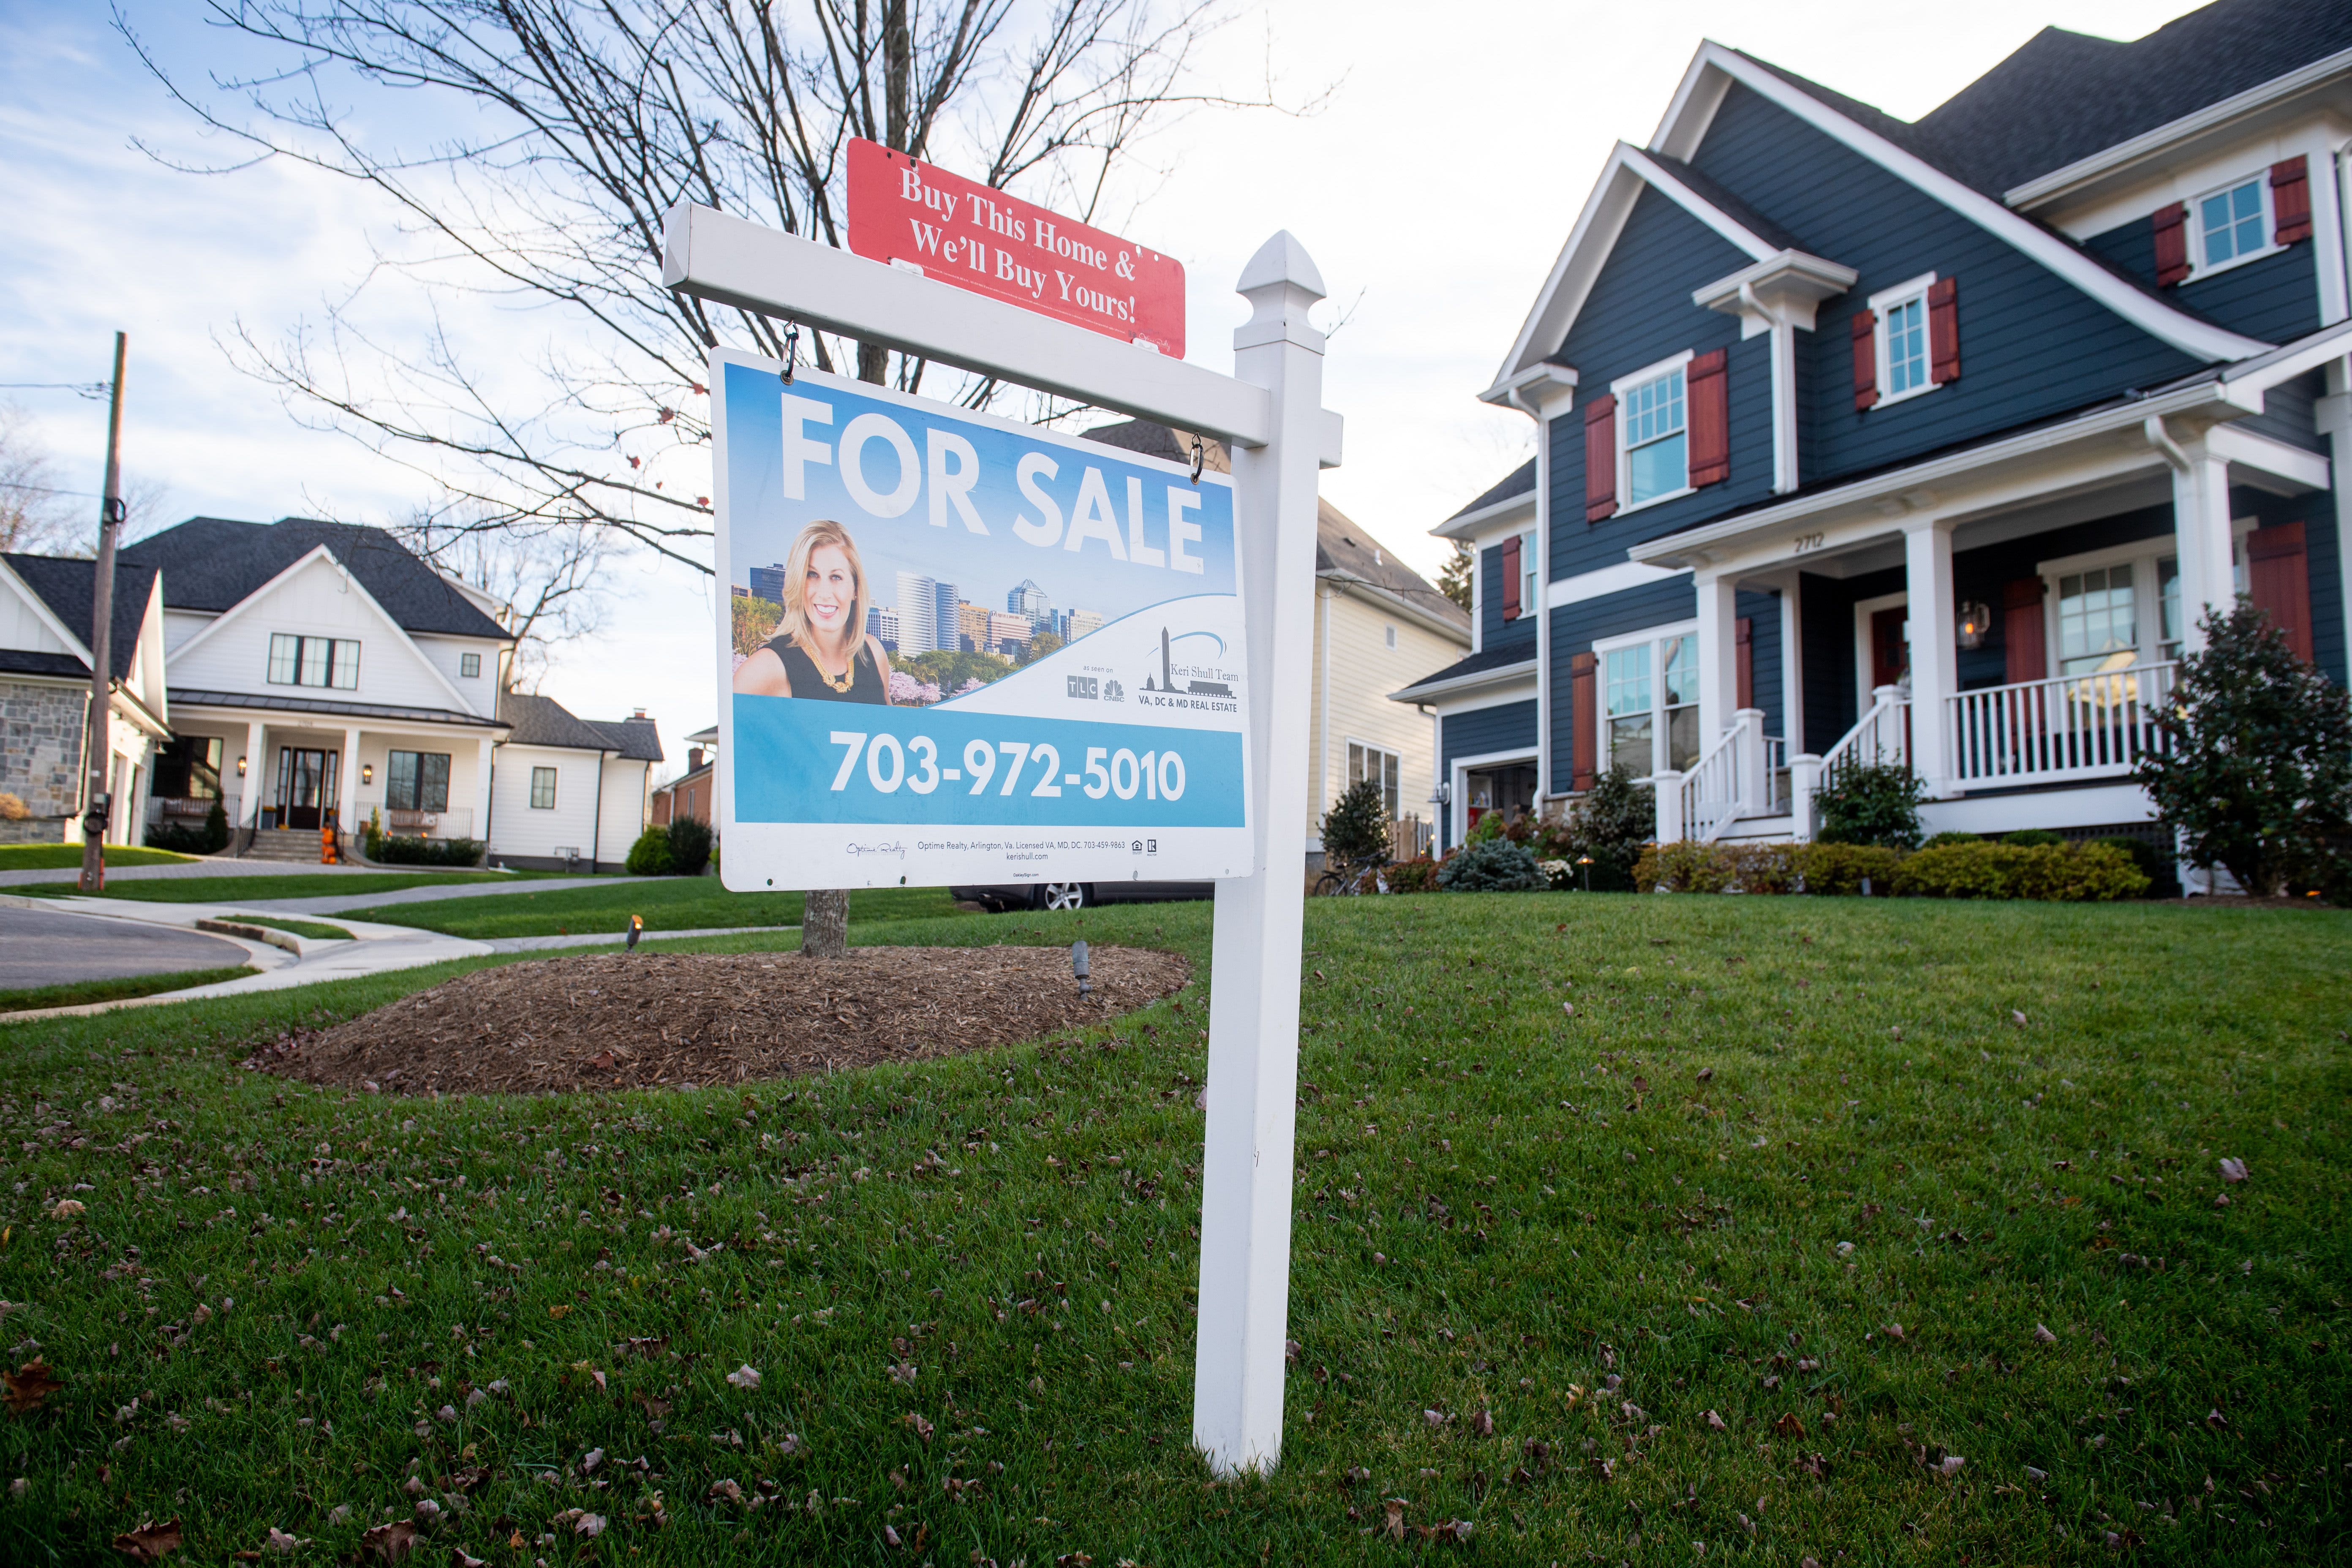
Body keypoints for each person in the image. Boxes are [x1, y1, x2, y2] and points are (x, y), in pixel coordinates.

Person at [732, 519, 896, 703]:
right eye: (812, 575)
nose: (825, 594)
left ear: (856, 589)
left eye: (836, 577)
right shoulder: (767, 666)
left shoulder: (874, 652)